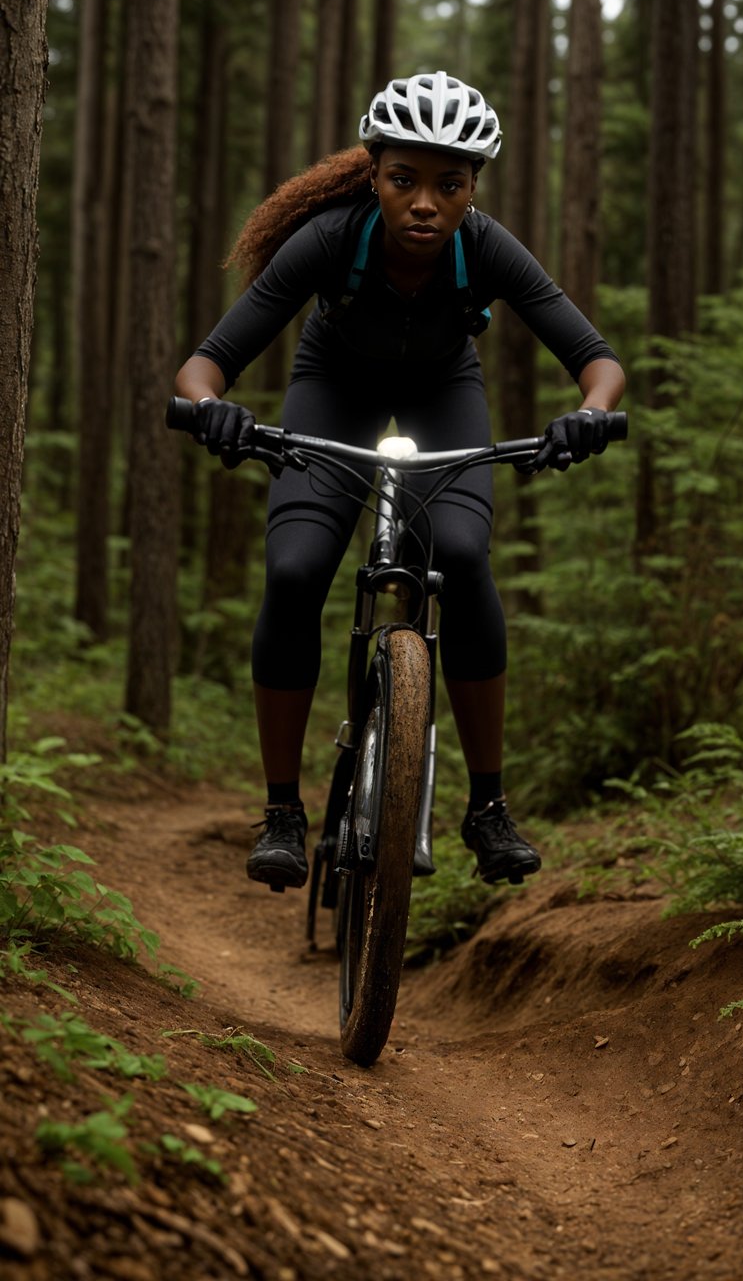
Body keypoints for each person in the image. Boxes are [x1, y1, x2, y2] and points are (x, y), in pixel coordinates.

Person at [174, 71, 625, 891]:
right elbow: (205, 365)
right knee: (296, 568)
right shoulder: (327, 239)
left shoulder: (484, 246)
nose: (425, 203)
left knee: (462, 553)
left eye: (448, 185)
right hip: (331, 392)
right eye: (403, 180)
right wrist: (213, 411)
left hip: (443, 393)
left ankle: (487, 809)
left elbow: (597, 361)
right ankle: (281, 811)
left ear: (471, 189)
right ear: (373, 175)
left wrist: (588, 414)